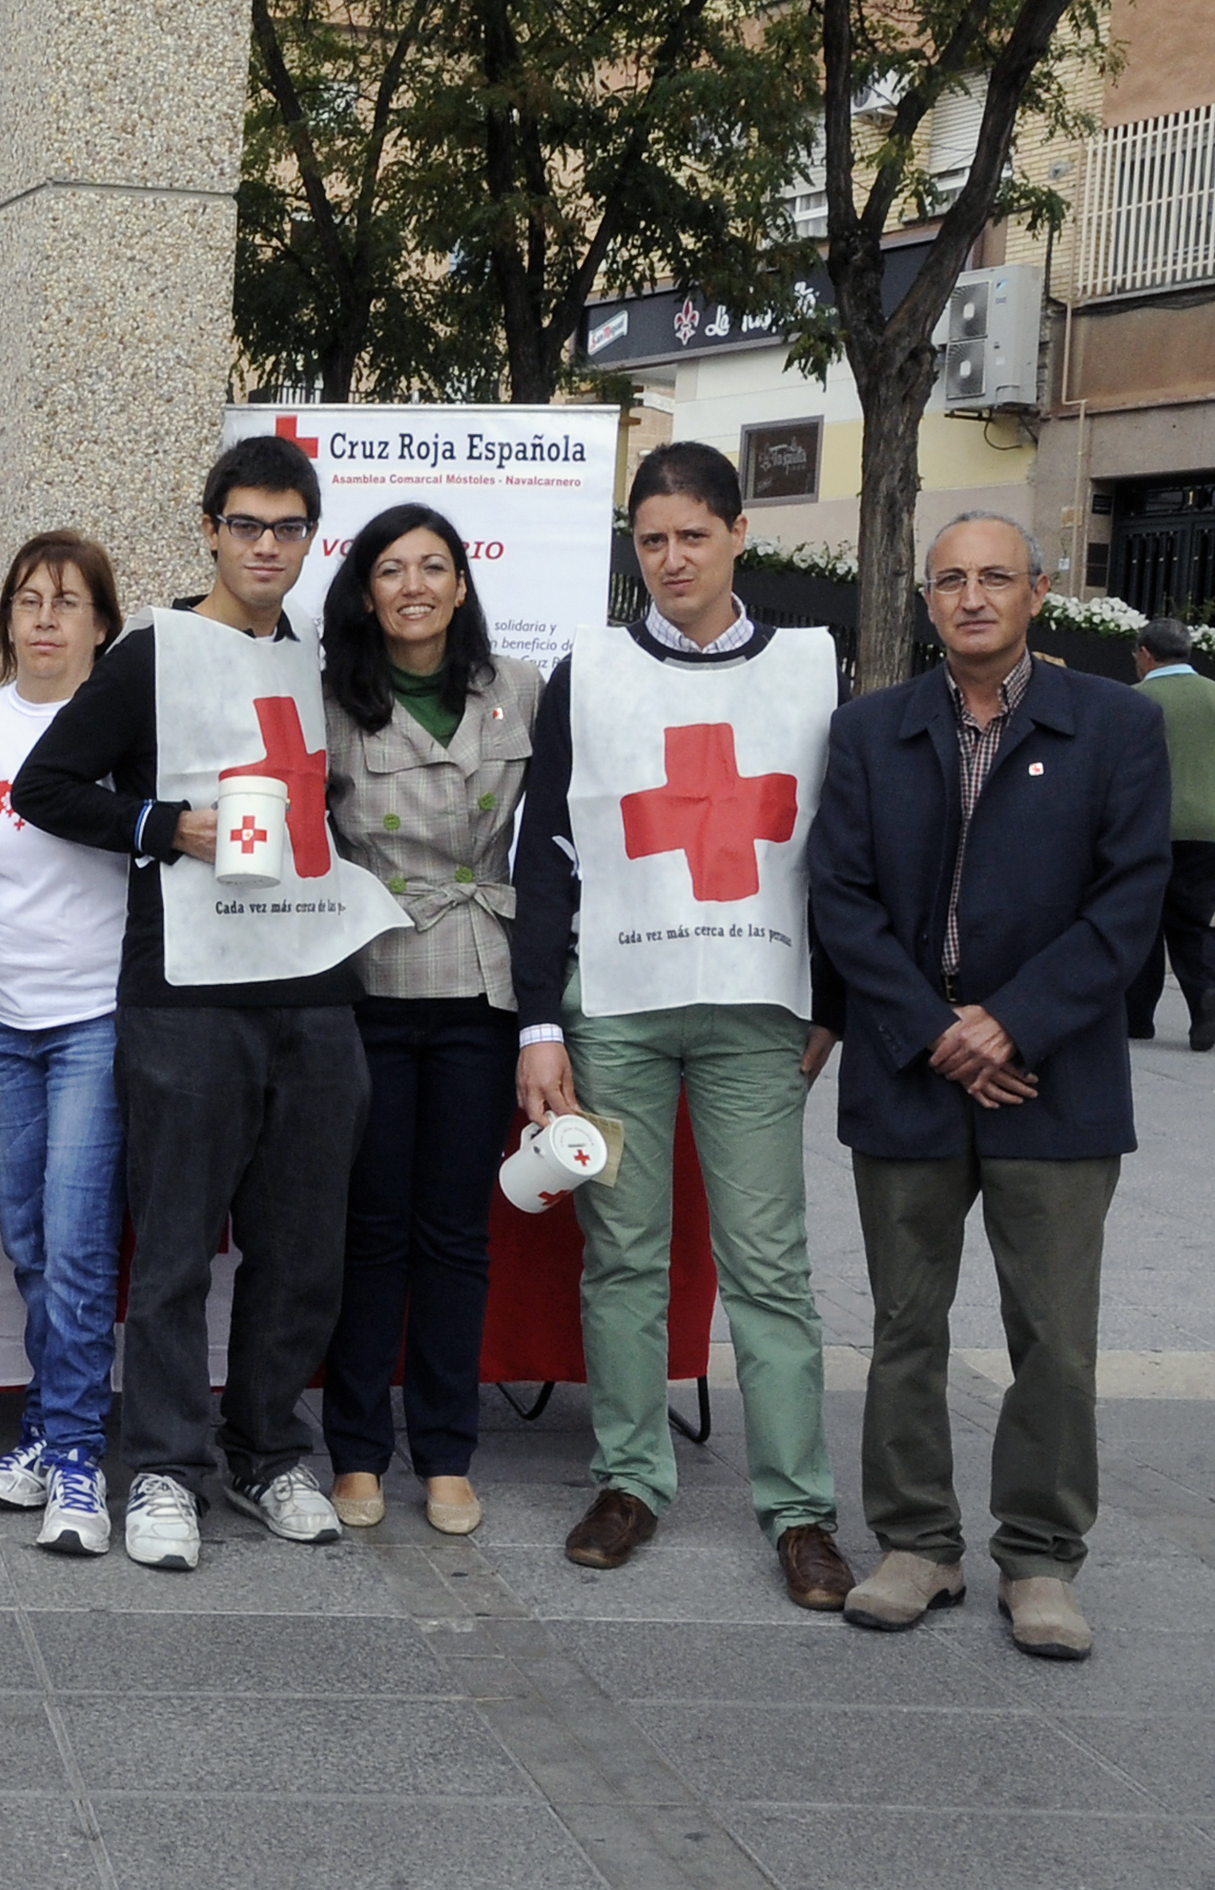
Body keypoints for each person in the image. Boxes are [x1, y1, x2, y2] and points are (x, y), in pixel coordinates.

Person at [16, 432, 407, 1572]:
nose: (268, 546)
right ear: (209, 530)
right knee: (179, 1244)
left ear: (310, 536)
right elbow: (46, 783)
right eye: (246, 525)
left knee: (302, 1244)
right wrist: (160, 828)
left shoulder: (328, 663)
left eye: (289, 527)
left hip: (315, 986)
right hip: (186, 989)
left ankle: (268, 1447)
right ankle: (166, 1469)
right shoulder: (152, 655)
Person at [811, 512, 1169, 1660]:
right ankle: (916, 1542)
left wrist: (1012, 1023)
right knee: (904, 1324)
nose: (972, 597)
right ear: (927, 600)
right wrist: (933, 1030)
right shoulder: (870, 730)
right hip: (911, 1073)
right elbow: (842, 901)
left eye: (996, 578)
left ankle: (1041, 1558)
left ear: (1039, 592)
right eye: (952, 580)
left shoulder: (1116, 725)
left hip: (1051, 1075)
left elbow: (1130, 902)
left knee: (1054, 1334)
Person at [510, 440, 853, 1609]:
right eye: (650, 540)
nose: (671, 560)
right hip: (617, 1010)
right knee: (624, 1256)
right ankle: (629, 1477)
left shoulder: (810, 668)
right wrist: (538, 1027)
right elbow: (544, 860)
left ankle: (799, 1509)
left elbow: (843, 852)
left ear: (738, 535)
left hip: (760, 1013)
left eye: (693, 536)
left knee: (769, 1267)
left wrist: (838, 1007)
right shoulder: (590, 673)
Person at [316, 504, 541, 1539]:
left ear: (462, 584)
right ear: (365, 590)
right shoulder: (327, 701)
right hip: (370, 978)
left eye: (434, 568)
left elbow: (555, 846)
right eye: (392, 570)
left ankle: (447, 1451)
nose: (414, 586)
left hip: (481, 988)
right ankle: (357, 1450)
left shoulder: (522, 691)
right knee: (369, 1231)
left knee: (456, 1234)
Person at [0, 532, 130, 1557]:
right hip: (5, 1027)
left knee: (77, 1245)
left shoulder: (123, 725)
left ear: (102, 623)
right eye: (27, 601)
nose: (46, 619)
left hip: (96, 1019)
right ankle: (47, 1432)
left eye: (67, 602)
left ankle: (75, 1462)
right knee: (28, 1244)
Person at [1125, 616, 1215, 1051]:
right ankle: (1204, 1003)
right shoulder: (1214, 696)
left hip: (1151, 826)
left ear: (1145, 654)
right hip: (1209, 828)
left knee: (1143, 920)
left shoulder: (1134, 701)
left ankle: (1137, 1016)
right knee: (1193, 921)